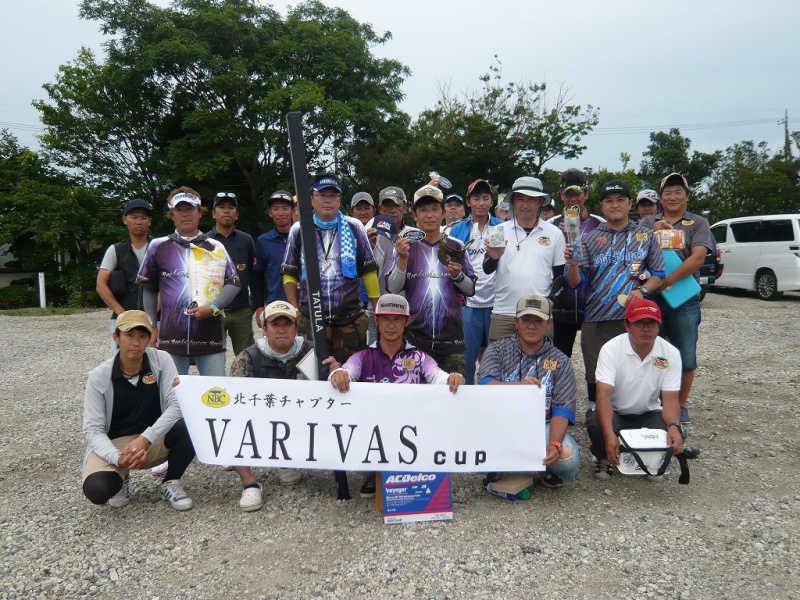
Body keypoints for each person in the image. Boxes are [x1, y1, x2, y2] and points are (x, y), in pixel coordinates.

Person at [329, 294, 465, 497]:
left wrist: (453, 377)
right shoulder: (363, 356)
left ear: (407, 322)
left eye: (397, 319)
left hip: (411, 436)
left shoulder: (419, 356)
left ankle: (407, 475)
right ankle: (372, 476)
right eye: (385, 318)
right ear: (376, 321)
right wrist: (337, 374)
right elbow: (347, 370)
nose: (391, 325)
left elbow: (437, 376)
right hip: (374, 437)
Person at [564, 179, 665, 412]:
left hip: (636, 319)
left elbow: (659, 274)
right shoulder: (587, 238)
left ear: (630, 203)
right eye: (609, 201)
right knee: (596, 372)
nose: (615, 205)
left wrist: (642, 290)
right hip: (597, 319)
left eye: (620, 200)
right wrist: (572, 265)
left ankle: (636, 415)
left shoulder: (646, 236)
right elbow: (574, 283)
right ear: (602, 206)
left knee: (635, 370)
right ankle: (596, 416)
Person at [226, 300, 338, 510]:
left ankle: (294, 460)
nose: (281, 329)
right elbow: (232, 401)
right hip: (262, 424)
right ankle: (249, 482)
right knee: (231, 421)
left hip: (305, 422)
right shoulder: (247, 358)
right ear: (264, 328)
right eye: (275, 324)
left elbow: (334, 394)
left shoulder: (315, 351)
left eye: (287, 324)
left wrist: (337, 371)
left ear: (296, 328)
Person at [82, 311, 196, 510]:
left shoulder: (162, 360)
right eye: (129, 335)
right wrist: (117, 457)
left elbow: (177, 405)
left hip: (154, 438)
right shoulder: (98, 376)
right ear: (116, 337)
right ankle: (121, 477)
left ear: (150, 338)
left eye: (142, 336)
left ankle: (171, 481)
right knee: (97, 490)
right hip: (115, 444)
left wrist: (145, 439)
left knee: (192, 421)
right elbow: (93, 430)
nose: (136, 342)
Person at [478, 294, 580, 487]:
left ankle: (549, 469)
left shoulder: (562, 361)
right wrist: (518, 388)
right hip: (500, 424)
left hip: (543, 425)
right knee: (475, 457)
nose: (531, 326)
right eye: (526, 319)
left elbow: (562, 408)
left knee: (568, 460)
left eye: (538, 320)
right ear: (516, 322)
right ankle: (497, 466)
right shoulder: (496, 350)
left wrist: (555, 444)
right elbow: (484, 386)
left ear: (548, 324)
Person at [136, 187, 241, 376]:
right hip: (172, 338)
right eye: (179, 210)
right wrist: (151, 326)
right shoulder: (158, 246)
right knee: (172, 394)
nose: (185, 214)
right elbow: (148, 287)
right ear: (171, 215)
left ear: (200, 213)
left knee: (214, 394)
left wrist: (214, 308)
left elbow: (233, 283)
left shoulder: (215, 246)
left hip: (210, 337)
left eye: (190, 209)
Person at [281, 173, 379, 364]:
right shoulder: (299, 229)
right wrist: (294, 310)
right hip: (311, 319)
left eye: (333, 195)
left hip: (350, 319)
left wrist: (377, 311)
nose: (327, 200)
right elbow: (289, 273)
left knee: (350, 377)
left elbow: (368, 270)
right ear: (311, 198)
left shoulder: (354, 226)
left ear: (340, 199)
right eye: (321, 195)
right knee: (310, 376)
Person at [640, 173, 713, 426]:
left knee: (685, 353)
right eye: (668, 192)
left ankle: (680, 405)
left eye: (678, 192)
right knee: (651, 351)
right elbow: (633, 248)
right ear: (660, 198)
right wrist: (652, 229)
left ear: (687, 196)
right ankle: (654, 402)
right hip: (652, 299)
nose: (673, 196)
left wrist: (667, 280)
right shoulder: (648, 221)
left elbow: (698, 258)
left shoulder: (698, 222)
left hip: (684, 298)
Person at [586, 299, 684, 480]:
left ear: (659, 326)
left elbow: (670, 400)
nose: (646, 329)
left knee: (672, 430)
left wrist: (674, 426)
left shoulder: (671, 353)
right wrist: (608, 435)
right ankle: (603, 456)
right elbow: (603, 397)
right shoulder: (611, 349)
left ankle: (652, 460)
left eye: (652, 323)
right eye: (639, 323)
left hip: (649, 414)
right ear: (626, 325)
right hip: (616, 413)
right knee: (596, 422)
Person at [385, 185, 476, 373]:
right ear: (414, 215)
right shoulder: (405, 246)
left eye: (434, 209)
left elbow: (470, 289)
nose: (429, 215)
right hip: (414, 341)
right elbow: (393, 288)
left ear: (443, 213)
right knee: (413, 397)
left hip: (452, 342)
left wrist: (457, 275)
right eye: (423, 210)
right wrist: (402, 261)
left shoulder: (455, 245)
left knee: (453, 396)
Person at [484, 176, 565, 342]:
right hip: (504, 312)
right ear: (513, 201)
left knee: (539, 366)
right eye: (520, 198)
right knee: (498, 365)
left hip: (539, 314)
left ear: (541, 202)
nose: (525, 204)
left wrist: (551, 300)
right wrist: (494, 258)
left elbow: (560, 275)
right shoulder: (499, 230)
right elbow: (486, 269)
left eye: (531, 199)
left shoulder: (554, 233)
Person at [449, 179, 504, 384]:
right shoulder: (457, 230)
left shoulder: (501, 226)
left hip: (496, 302)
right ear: (468, 202)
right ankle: (468, 402)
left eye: (485, 198)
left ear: (491, 202)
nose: (481, 202)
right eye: (476, 198)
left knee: (495, 359)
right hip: (468, 303)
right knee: (467, 359)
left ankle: (494, 401)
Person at [548, 169, 605, 357]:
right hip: (560, 306)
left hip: (593, 305)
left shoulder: (600, 224)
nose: (572, 199)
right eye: (567, 194)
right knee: (558, 357)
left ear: (586, 194)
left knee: (596, 358)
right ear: (561, 197)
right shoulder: (550, 225)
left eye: (577, 194)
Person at [96, 199, 153, 355]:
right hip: (122, 319)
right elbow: (101, 285)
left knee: (156, 369)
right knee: (121, 368)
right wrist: (122, 313)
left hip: (154, 320)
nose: (138, 221)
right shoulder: (115, 250)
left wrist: (153, 313)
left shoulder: (160, 248)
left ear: (150, 221)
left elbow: (169, 283)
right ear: (125, 220)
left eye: (143, 217)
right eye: (133, 217)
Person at [207, 191, 256, 356]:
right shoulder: (204, 241)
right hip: (213, 310)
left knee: (246, 357)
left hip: (241, 309)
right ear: (214, 213)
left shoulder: (246, 240)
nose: (226, 211)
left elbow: (252, 273)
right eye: (221, 207)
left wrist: (254, 304)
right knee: (213, 357)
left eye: (231, 207)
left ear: (237, 214)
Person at [253, 190, 295, 318]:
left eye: (285, 208)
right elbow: (257, 275)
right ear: (270, 213)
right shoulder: (263, 241)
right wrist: (259, 306)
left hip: (305, 304)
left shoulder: (305, 237)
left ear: (293, 211)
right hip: (276, 305)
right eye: (276, 209)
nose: (280, 213)